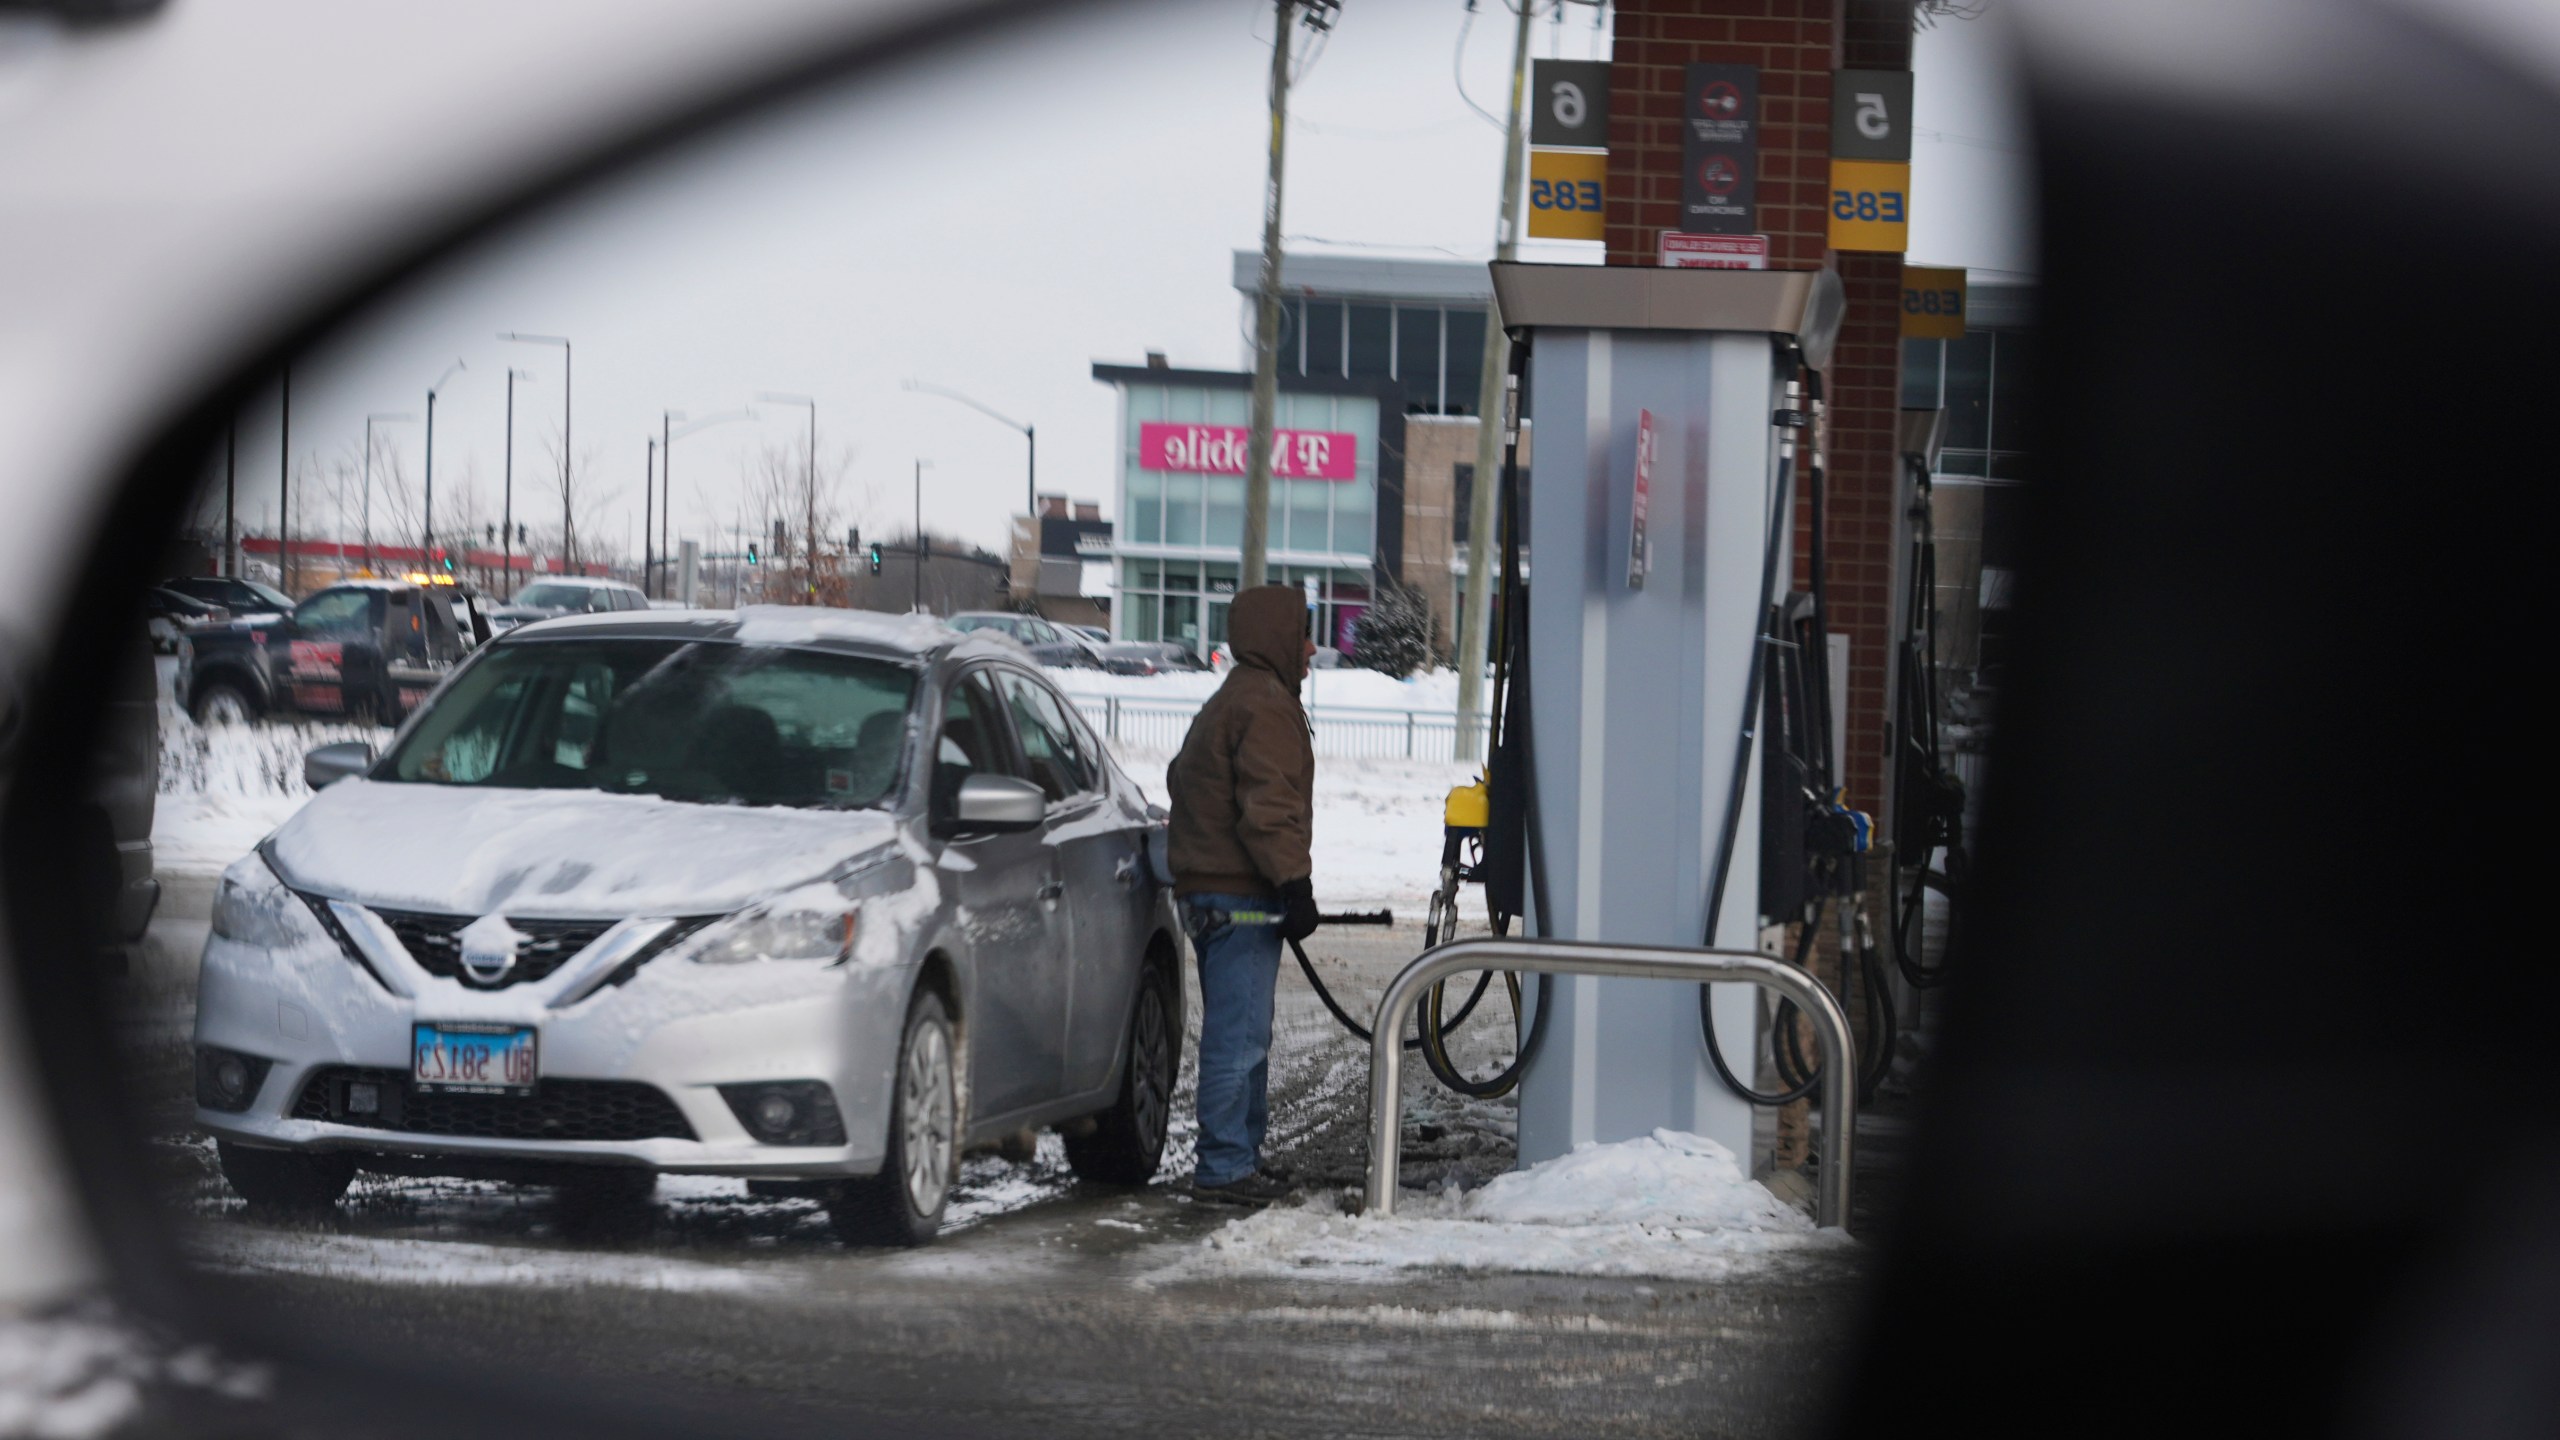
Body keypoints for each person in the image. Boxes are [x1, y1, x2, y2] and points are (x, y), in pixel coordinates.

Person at [1165, 584, 1319, 1204]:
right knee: (1240, 1038)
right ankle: (1226, 1167)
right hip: (1241, 896)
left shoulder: (1231, 698)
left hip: (1213, 893)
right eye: (1303, 634)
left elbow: (1183, 777)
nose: (1311, 648)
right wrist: (1293, 882)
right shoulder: (1265, 704)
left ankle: (1240, 1158)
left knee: (1246, 1032)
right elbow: (1269, 804)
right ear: (1278, 638)